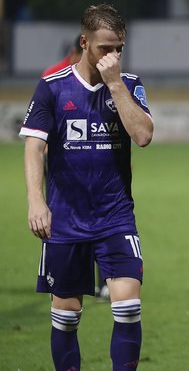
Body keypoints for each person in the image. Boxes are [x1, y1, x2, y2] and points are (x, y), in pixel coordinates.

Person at [20, 4, 153, 370]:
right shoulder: (52, 87)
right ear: (84, 42)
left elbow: (142, 135)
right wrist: (36, 202)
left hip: (115, 218)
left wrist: (115, 84)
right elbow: (33, 147)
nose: (112, 57)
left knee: (127, 307)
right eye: (104, 48)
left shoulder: (130, 85)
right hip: (65, 218)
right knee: (66, 314)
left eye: (118, 49)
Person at [40, 34, 110, 301]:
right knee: (61, 219)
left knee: (103, 219)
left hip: (94, 161)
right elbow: (43, 122)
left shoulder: (104, 76)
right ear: (79, 48)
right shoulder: (54, 76)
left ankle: (103, 281)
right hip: (61, 164)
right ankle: (61, 278)